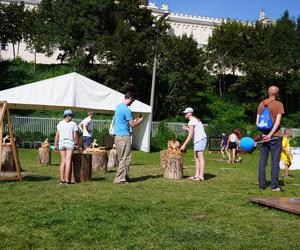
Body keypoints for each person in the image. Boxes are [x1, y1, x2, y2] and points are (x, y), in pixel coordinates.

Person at [256, 86, 285, 192]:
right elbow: (277, 122)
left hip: (263, 137)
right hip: (275, 137)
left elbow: (257, 122)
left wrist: (264, 135)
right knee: (275, 161)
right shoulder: (279, 104)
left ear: (268, 93)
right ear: (277, 94)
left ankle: (262, 184)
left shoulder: (261, 104)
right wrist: (270, 135)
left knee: (262, 161)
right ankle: (274, 186)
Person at [114, 92, 143, 184]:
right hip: (124, 137)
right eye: (133, 100)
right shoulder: (127, 110)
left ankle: (125, 177)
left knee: (123, 158)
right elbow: (133, 125)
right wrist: (140, 121)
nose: (132, 103)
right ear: (130, 98)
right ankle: (119, 179)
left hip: (117, 136)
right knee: (125, 158)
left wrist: (133, 121)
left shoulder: (118, 107)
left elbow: (124, 122)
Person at [180, 107, 207, 181]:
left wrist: (184, 145)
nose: (185, 114)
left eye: (186, 113)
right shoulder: (195, 120)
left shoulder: (192, 121)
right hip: (198, 140)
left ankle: (201, 176)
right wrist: (187, 129)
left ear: (190, 113)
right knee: (196, 157)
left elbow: (191, 134)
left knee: (200, 157)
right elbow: (193, 132)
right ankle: (196, 175)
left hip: (200, 139)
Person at [54, 109, 78, 184]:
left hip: (61, 143)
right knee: (68, 161)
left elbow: (57, 135)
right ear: (67, 116)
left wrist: (55, 144)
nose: (72, 117)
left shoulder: (60, 123)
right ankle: (67, 180)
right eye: (71, 115)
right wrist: (76, 144)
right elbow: (75, 136)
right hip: (69, 143)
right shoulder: (73, 124)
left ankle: (62, 179)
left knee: (63, 161)